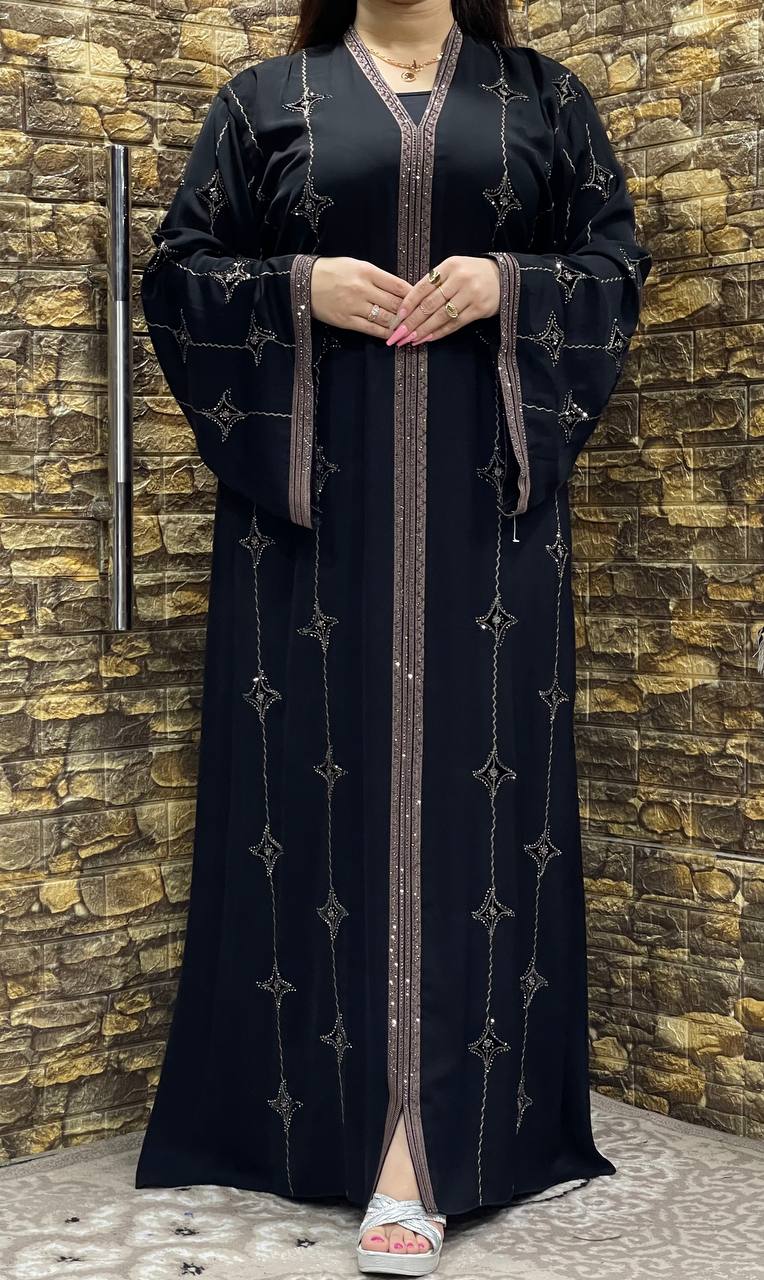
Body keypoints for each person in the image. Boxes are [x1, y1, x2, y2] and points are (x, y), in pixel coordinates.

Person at [134, 0, 652, 1274]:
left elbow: (614, 261)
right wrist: (299, 285)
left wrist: (507, 281)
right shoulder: (264, 99)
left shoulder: (543, 94)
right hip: (311, 514)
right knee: (318, 785)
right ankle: (328, 1123)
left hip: (487, 509)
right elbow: (178, 272)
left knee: (479, 802)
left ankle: (436, 1141)